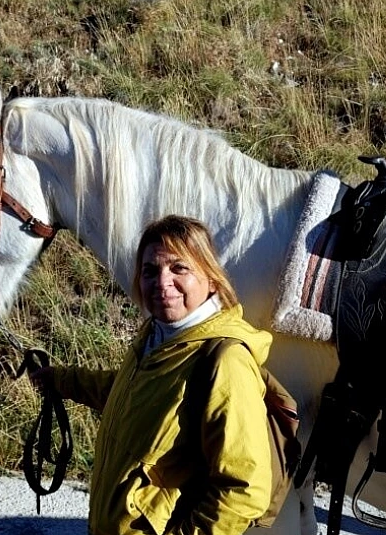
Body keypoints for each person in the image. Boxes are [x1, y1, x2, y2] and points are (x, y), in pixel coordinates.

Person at [31, 215, 273, 535]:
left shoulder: (226, 362)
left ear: (211, 278)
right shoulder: (157, 334)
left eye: (179, 268)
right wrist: (59, 380)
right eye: (150, 271)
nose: (162, 282)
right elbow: (128, 395)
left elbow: (246, 490)